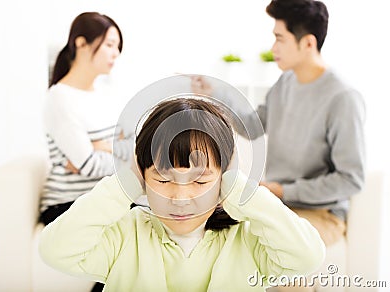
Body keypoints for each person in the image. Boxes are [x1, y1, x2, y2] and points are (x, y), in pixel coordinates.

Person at [39, 97, 325, 291]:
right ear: (141, 177)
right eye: (163, 179)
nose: (180, 197)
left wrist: (239, 189)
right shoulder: (125, 235)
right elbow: (55, 250)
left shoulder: (246, 240)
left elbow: (307, 256)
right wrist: (120, 186)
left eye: (200, 182)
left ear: (224, 180)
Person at [192, 1, 365, 290]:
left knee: (281, 261)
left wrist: (282, 190)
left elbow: (351, 179)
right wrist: (216, 92)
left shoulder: (343, 98)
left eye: (280, 38)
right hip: (277, 204)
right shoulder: (285, 82)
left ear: (308, 43)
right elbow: (252, 123)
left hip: (320, 214)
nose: (273, 47)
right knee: (215, 243)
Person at [39, 12, 132, 227]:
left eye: (117, 47)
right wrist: (123, 153)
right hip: (66, 204)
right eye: (109, 45)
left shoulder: (104, 93)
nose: (116, 53)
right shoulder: (60, 98)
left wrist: (105, 148)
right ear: (81, 43)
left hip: (100, 197)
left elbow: (130, 144)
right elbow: (90, 165)